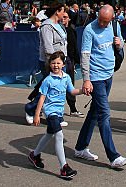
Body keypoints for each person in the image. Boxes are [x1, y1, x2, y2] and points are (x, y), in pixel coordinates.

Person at [73, 5, 126, 169]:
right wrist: (86, 79)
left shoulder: (114, 25)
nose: (103, 24)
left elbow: (120, 44)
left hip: (108, 74)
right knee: (104, 113)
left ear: (112, 18)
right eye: (101, 21)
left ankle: (80, 147)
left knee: (94, 112)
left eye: (106, 21)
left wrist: (120, 44)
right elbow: (85, 55)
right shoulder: (89, 30)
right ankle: (114, 157)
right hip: (96, 77)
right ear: (97, 16)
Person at [29, 51, 82, 181]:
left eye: (58, 63)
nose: (56, 65)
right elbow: (42, 98)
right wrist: (37, 114)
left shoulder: (66, 78)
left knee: (49, 134)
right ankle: (64, 167)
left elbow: (72, 91)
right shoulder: (47, 80)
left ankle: (34, 155)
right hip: (50, 112)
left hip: (59, 112)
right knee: (59, 135)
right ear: (49, 64)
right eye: (53, 63)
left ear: (63, 64)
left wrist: (84, 90)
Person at [25, 4, 68, 123]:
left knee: (58, 89)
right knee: (48, 88)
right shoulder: (46, 26)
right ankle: (31, 109)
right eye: (62, 11)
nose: (64, 14)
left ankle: (56, 115)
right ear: (57, 12)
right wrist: (54, 65)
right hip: (49, 62)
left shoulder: (59, 25)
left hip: (60, 62)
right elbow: (48, 48)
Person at [61, 10, 82, 117]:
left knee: (69, 85)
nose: (63, 19)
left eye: (65, 17)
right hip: (59, 61)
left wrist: (77, 60)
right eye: (62, 17)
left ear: (69, 18)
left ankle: (73, 109)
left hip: (69, 61)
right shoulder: (57, 29)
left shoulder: (71, 30)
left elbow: (74, 47)